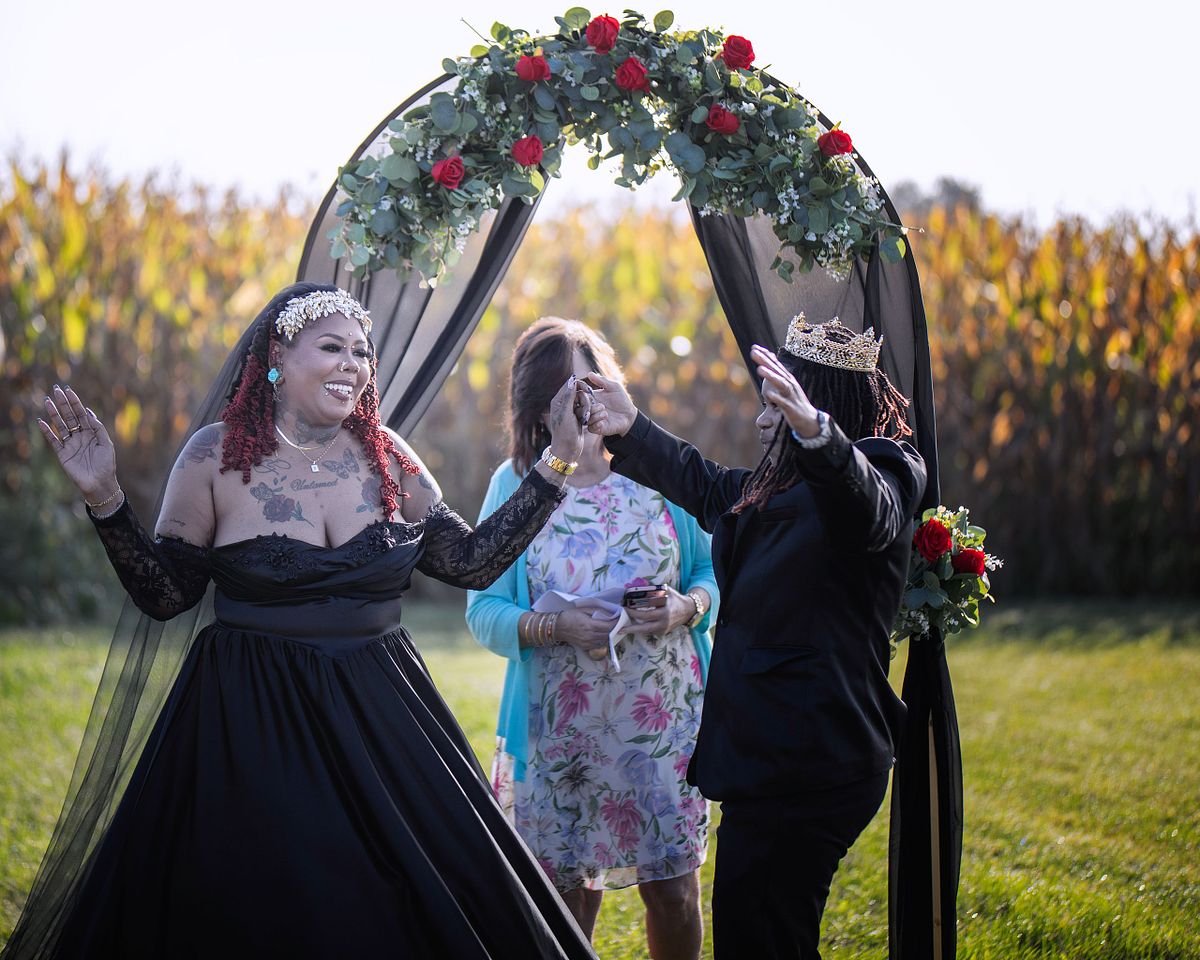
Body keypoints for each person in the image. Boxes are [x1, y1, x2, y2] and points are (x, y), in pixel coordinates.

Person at [8, 283, 598, 960]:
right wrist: (106, 497)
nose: (353, 364)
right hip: (249, 720)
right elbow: (168, 594)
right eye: (332, 347)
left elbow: (469, 562)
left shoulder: (388, 456)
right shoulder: (214, 456)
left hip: (384, 719)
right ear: (277, 357)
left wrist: (557, 460)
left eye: (362, 352)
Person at [583, 316, 928, 960]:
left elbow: (869, 512)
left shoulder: (885, 466)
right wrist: (632, 427)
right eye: (767, 406)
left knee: (763, 935)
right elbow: (707, 483)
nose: (762, 421)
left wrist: (817, 435)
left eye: (776, 406)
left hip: (814, 754)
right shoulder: (775, 488)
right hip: (768, 755)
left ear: (824, 407)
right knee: (761, 933)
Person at [466, 318, 719, 960]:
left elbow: (713, 571)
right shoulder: (515, 484)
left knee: (674, 892)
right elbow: (484, 609)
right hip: (560, 732)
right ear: (537, 406)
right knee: (568, 900)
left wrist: (685, 608)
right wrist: (555, 625)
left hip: (661, 724)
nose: (582, 403)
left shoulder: (658, 468)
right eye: (563, 393)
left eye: (591, 382)